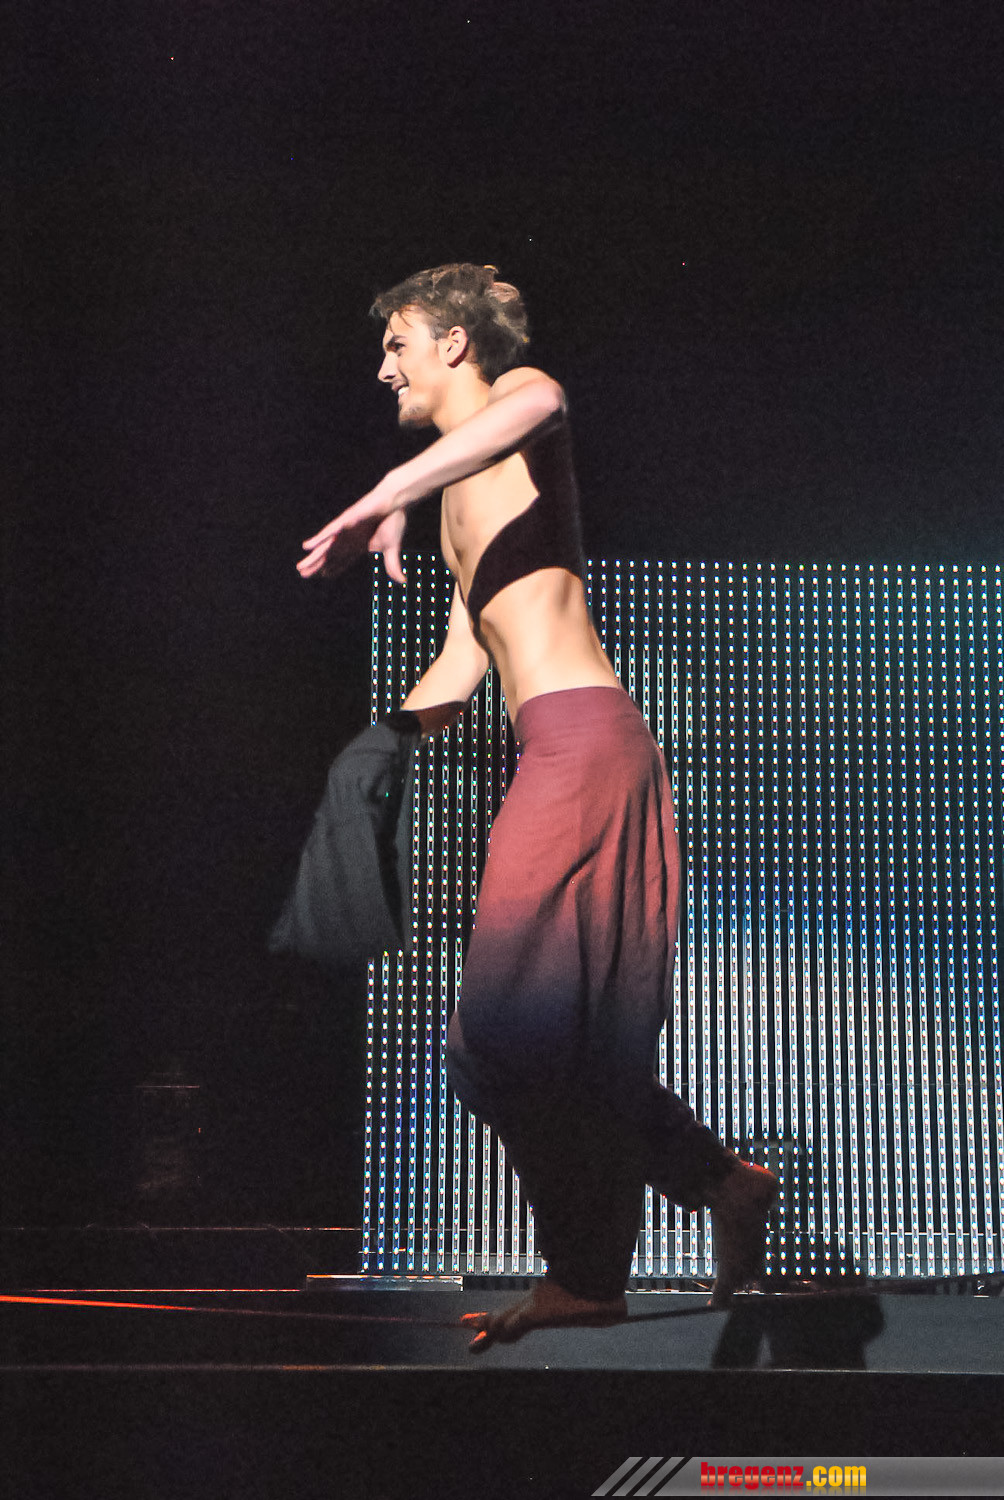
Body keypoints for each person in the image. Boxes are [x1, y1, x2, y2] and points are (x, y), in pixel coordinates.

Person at [298, 263, 777, 1351]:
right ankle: (720, 1182)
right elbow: (467, 658)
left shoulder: (519, 407)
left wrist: (386, 491)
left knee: (502, 1039)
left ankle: (587, 1275)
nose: (384, 368)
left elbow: (541, 400)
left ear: (456, 344)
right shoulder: (455, 502)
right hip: (559, 749)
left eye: (399, 345)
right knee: (546, 1049)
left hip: (582, 742)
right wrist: (374, 754)